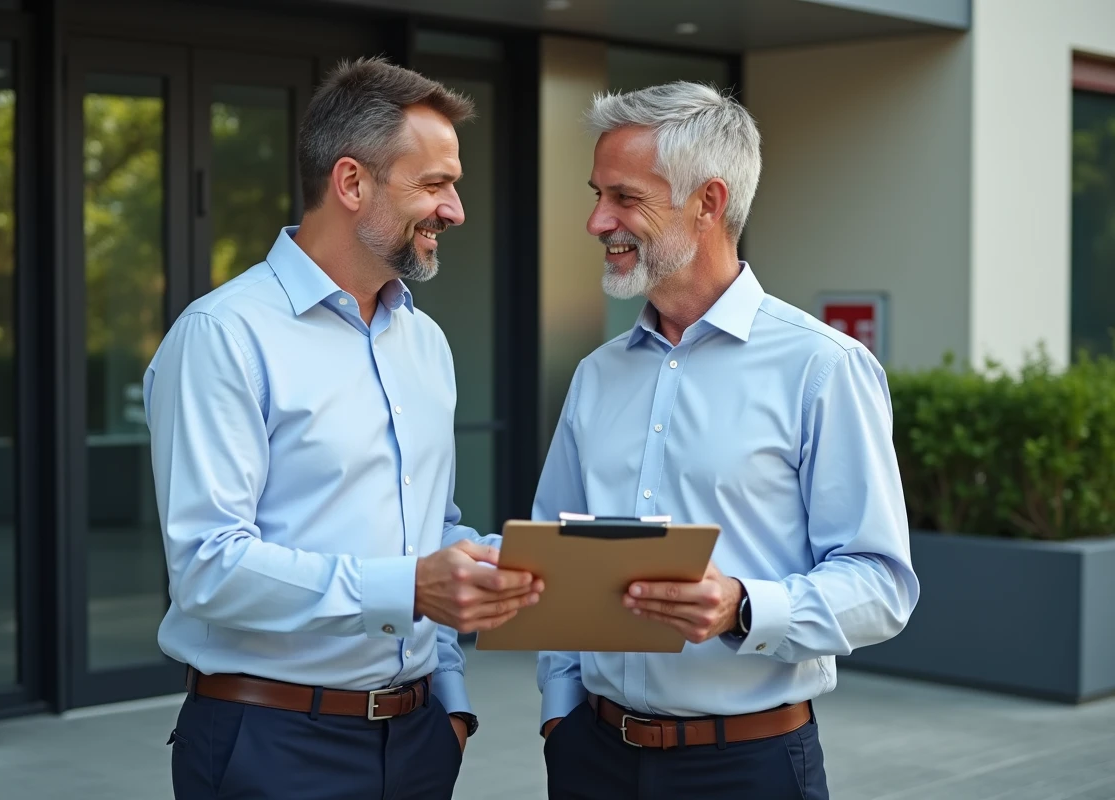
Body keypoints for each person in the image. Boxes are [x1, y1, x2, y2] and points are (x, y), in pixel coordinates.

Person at [143, 57, 542, 800]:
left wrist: (452, 701)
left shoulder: (425, 342)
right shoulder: (224, 336)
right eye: (434, 184)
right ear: (352, 183)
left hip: (418, 741)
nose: (455, 210)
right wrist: (412, 587)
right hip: (271, 747)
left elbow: (431, 530)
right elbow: (207, 567)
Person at [533, 81, 920, 799]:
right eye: (597, 195)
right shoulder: (596, 376)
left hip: (747, 768)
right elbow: (557, 560)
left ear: (708, 202)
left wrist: (743, 605)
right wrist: (561, 717)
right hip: (594, 758)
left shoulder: (822, 367)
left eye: (624, 197)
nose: (596, 221)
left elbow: (881, 584)